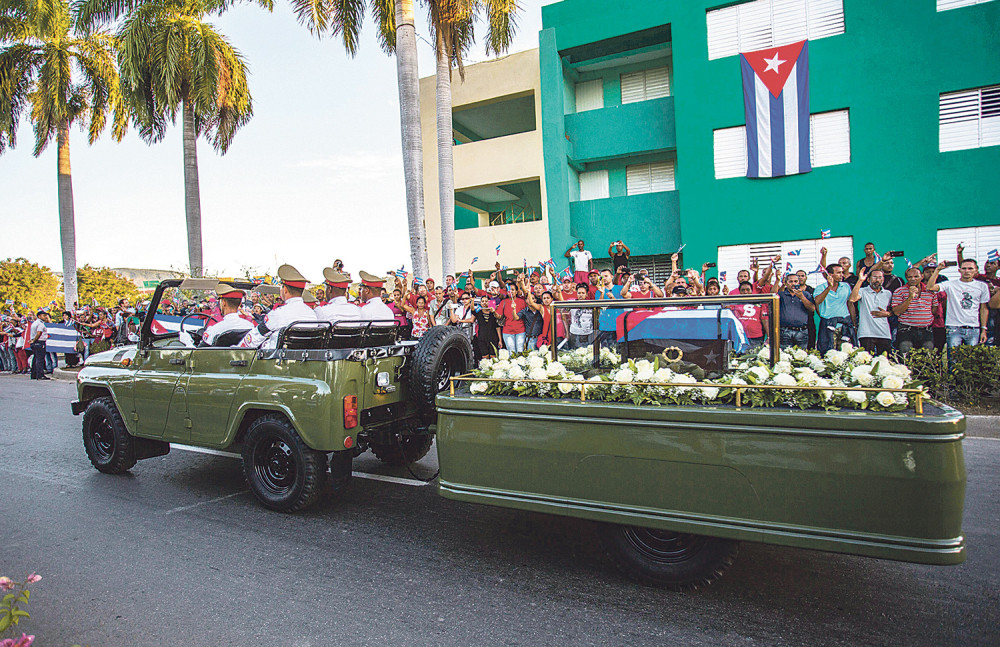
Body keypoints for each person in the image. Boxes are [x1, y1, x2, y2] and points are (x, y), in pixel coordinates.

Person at [239, 264, 317, 348]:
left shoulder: (278, 314)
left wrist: (237, 350)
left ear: (285, 290)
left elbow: (254, 338)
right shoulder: (312, 315)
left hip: (275, 358)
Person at [926, 258, 991, 348]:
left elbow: (984, 308)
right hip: (953, 327)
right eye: (964, 268)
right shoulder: (950, 284)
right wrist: (937, 270)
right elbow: (930, 287)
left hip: (973, 327)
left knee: (971, 359)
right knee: (953, 359)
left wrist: (983, 329)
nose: (967, 271)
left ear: (976, 270)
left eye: (970, 268)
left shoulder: (982, 286)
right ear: (959, 270)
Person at [891, 266, 937, 352]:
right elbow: (897, 311)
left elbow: (934, 308)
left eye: (916, 276)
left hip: (926, 329)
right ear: (906, 278)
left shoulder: (930, 291)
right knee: (905, 355)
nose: (913, 279)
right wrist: (910, 297)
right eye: (910, 277)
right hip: (906, 330)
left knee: (928, 357)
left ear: (922, 277)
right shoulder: (899, 291)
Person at [849, 267, 892, 355]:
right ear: (868, 279)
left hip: (884, 332)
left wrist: (888, 313)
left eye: (880, 277)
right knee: (866, 361)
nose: (877, 280)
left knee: (884, 361)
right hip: (866, 333)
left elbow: (893, 311)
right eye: (875, 277)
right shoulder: (862, 291)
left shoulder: (888, 293)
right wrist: (860, 280)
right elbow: (852, 299)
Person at [814, 263, 853, 353]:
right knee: (828, 353)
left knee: (846, 353)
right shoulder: (821, 287)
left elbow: (850, 303)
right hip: (828, 325)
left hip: (844, 324)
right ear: (830, 275)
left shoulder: (846, 286)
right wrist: (829, 287)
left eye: (842, 272)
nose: (841, 275)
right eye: (839, 273)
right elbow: (817, 301)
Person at [774, 273, 815, 349]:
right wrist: (777, 280)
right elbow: (772, 294)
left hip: (801, 331)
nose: (793, 284)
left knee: (801, 356)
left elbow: (812, 308)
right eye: (791, 281)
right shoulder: (781, 294)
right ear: (786, 283)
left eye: (795, 281)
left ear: (798, 283)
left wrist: (801, 297)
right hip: (784, 331)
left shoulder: (805, 294)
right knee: (785, 356)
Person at [497, 288, 527, 352]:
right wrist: (494, 311)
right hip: (507, 331)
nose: (511, 291)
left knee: (520, 351)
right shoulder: (504, 302)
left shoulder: (522, 301)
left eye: (513, 290)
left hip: (520, 330)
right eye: (509, 290)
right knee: (511, 351)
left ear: (516, 292)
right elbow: (498, 316)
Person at [29, 310, 50, 380]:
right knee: (40, 359)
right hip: (40, 342)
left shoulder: (34, 323)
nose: (45, 317)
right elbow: (39, 333)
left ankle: (34, 374)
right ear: (39, 316)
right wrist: (34, 340)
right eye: (43, 316)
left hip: (35, 343)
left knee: (35, 359)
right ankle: (40, 375)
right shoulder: (40, 324)